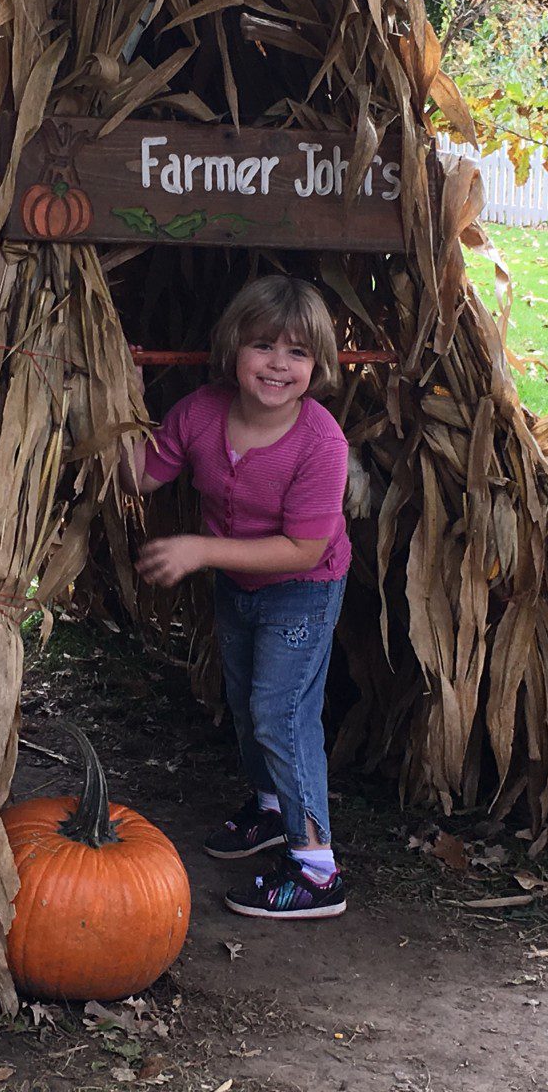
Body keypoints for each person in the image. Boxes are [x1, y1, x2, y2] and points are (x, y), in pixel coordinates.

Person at [123, 275, 351, 920]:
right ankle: (272, 809)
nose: (279, 364)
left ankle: (316, 869)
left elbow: (304, 549)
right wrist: (116, 402)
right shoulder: (200, 412)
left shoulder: (320, 442)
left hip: (302, 590)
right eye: (263, 346)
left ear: (319, 364)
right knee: (247, 700)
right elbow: (141, 474)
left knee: (281, 714)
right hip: (240, 585)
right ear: (232, 349)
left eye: (298, 353)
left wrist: (200, 549)